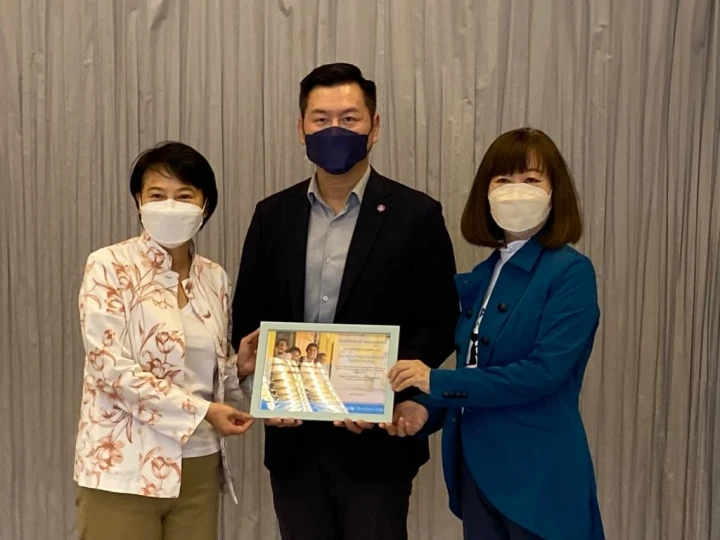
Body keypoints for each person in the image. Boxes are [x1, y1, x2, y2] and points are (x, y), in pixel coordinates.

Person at [231, 63, 458, 540]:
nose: (335, 130)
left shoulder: (417, 215)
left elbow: (437, 323)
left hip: (376, 440)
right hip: (293, 438)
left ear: (374, 127)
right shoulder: (272, 216)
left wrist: (384, 392)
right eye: (321, 119)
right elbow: (248, 320)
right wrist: (265, 387)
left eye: (350, 119)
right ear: (301, 129)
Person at [385, 128, 605, 540]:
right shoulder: (486, 274)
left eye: (532, 180)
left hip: (539, 475)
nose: (516, 191)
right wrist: (424, 410)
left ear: (556, 192)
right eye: (503, 180)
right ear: (484, 193)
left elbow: (543, 373)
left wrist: (433, 380)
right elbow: (475, 369)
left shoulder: (570, 272)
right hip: (479, 475)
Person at [74, 142, 258, 540]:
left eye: (184, 196)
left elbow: (209, 376)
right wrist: (204, 411)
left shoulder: (214, 278)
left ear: (205, 205)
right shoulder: (108, 265)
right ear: (138, 201)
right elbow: (111, 371)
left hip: (199, 465)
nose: (170, 206)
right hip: (122, 466)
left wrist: (238, 369)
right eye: (157, 195)